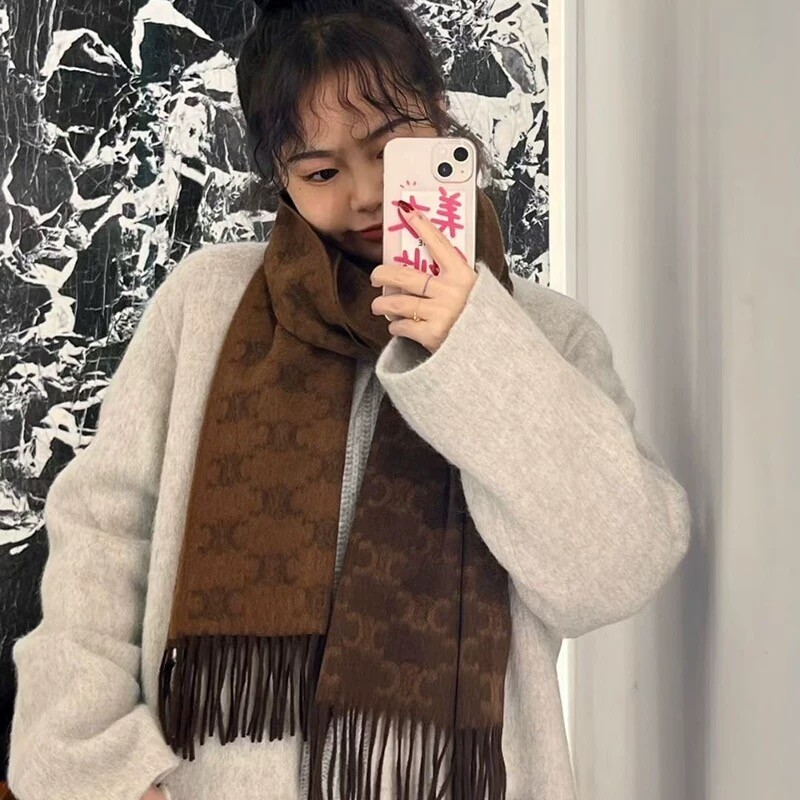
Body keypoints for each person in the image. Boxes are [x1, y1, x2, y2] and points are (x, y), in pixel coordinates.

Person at [6, 1, 692, 799]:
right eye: (321, 173)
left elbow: (615, 571)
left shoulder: (545, 334)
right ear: (282, 180)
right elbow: (103, 539)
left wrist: (475, 347)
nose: (366, 194)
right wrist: (96, 768)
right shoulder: (206, 305)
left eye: (389, 149)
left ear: (440, 120)